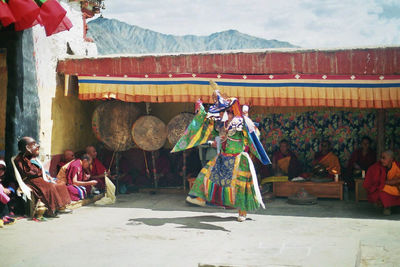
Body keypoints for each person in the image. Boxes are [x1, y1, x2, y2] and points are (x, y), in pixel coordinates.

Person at [172, 89, 271, 222]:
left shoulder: (241, 123)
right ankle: (199, 197)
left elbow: (254, 135)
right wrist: (200, 109)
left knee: (240, 186)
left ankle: (242, 212)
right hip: (223, 157)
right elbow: (208, 122)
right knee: (206, 174)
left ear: (232, 111)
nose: (224, 114)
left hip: (238, 159)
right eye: (224, 111)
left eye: (227, 111)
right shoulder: (222, 124)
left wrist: (247, 119)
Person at [14, 137, 71, 217]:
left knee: (60, 183)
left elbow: (39, 170)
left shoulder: (32, 158)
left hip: (39, 177)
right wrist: (40, 174)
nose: (37, 146)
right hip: (31, 180)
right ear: (27, 148)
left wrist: (46, 176)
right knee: (50, 187)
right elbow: (29, 172)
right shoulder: (20, 159)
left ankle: (61, 206)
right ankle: (51, 210)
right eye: (34, 144)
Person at [363, 150, 400, 215]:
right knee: (380, 189)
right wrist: (391, 182)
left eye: (384, 158)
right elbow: (375, 183)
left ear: (391, 159)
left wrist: (396, 182)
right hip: (386, 187)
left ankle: (394, 206)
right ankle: (387, 207)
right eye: (381, 158)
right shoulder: (377, 167)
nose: (381, 160)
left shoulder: (397, 167)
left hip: (397, 188)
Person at [0, 160, 16, 226]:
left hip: (6, 196)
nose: (0, 170)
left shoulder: (7, 176)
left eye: (2, 169)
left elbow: (12, 184)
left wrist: (9, 189)